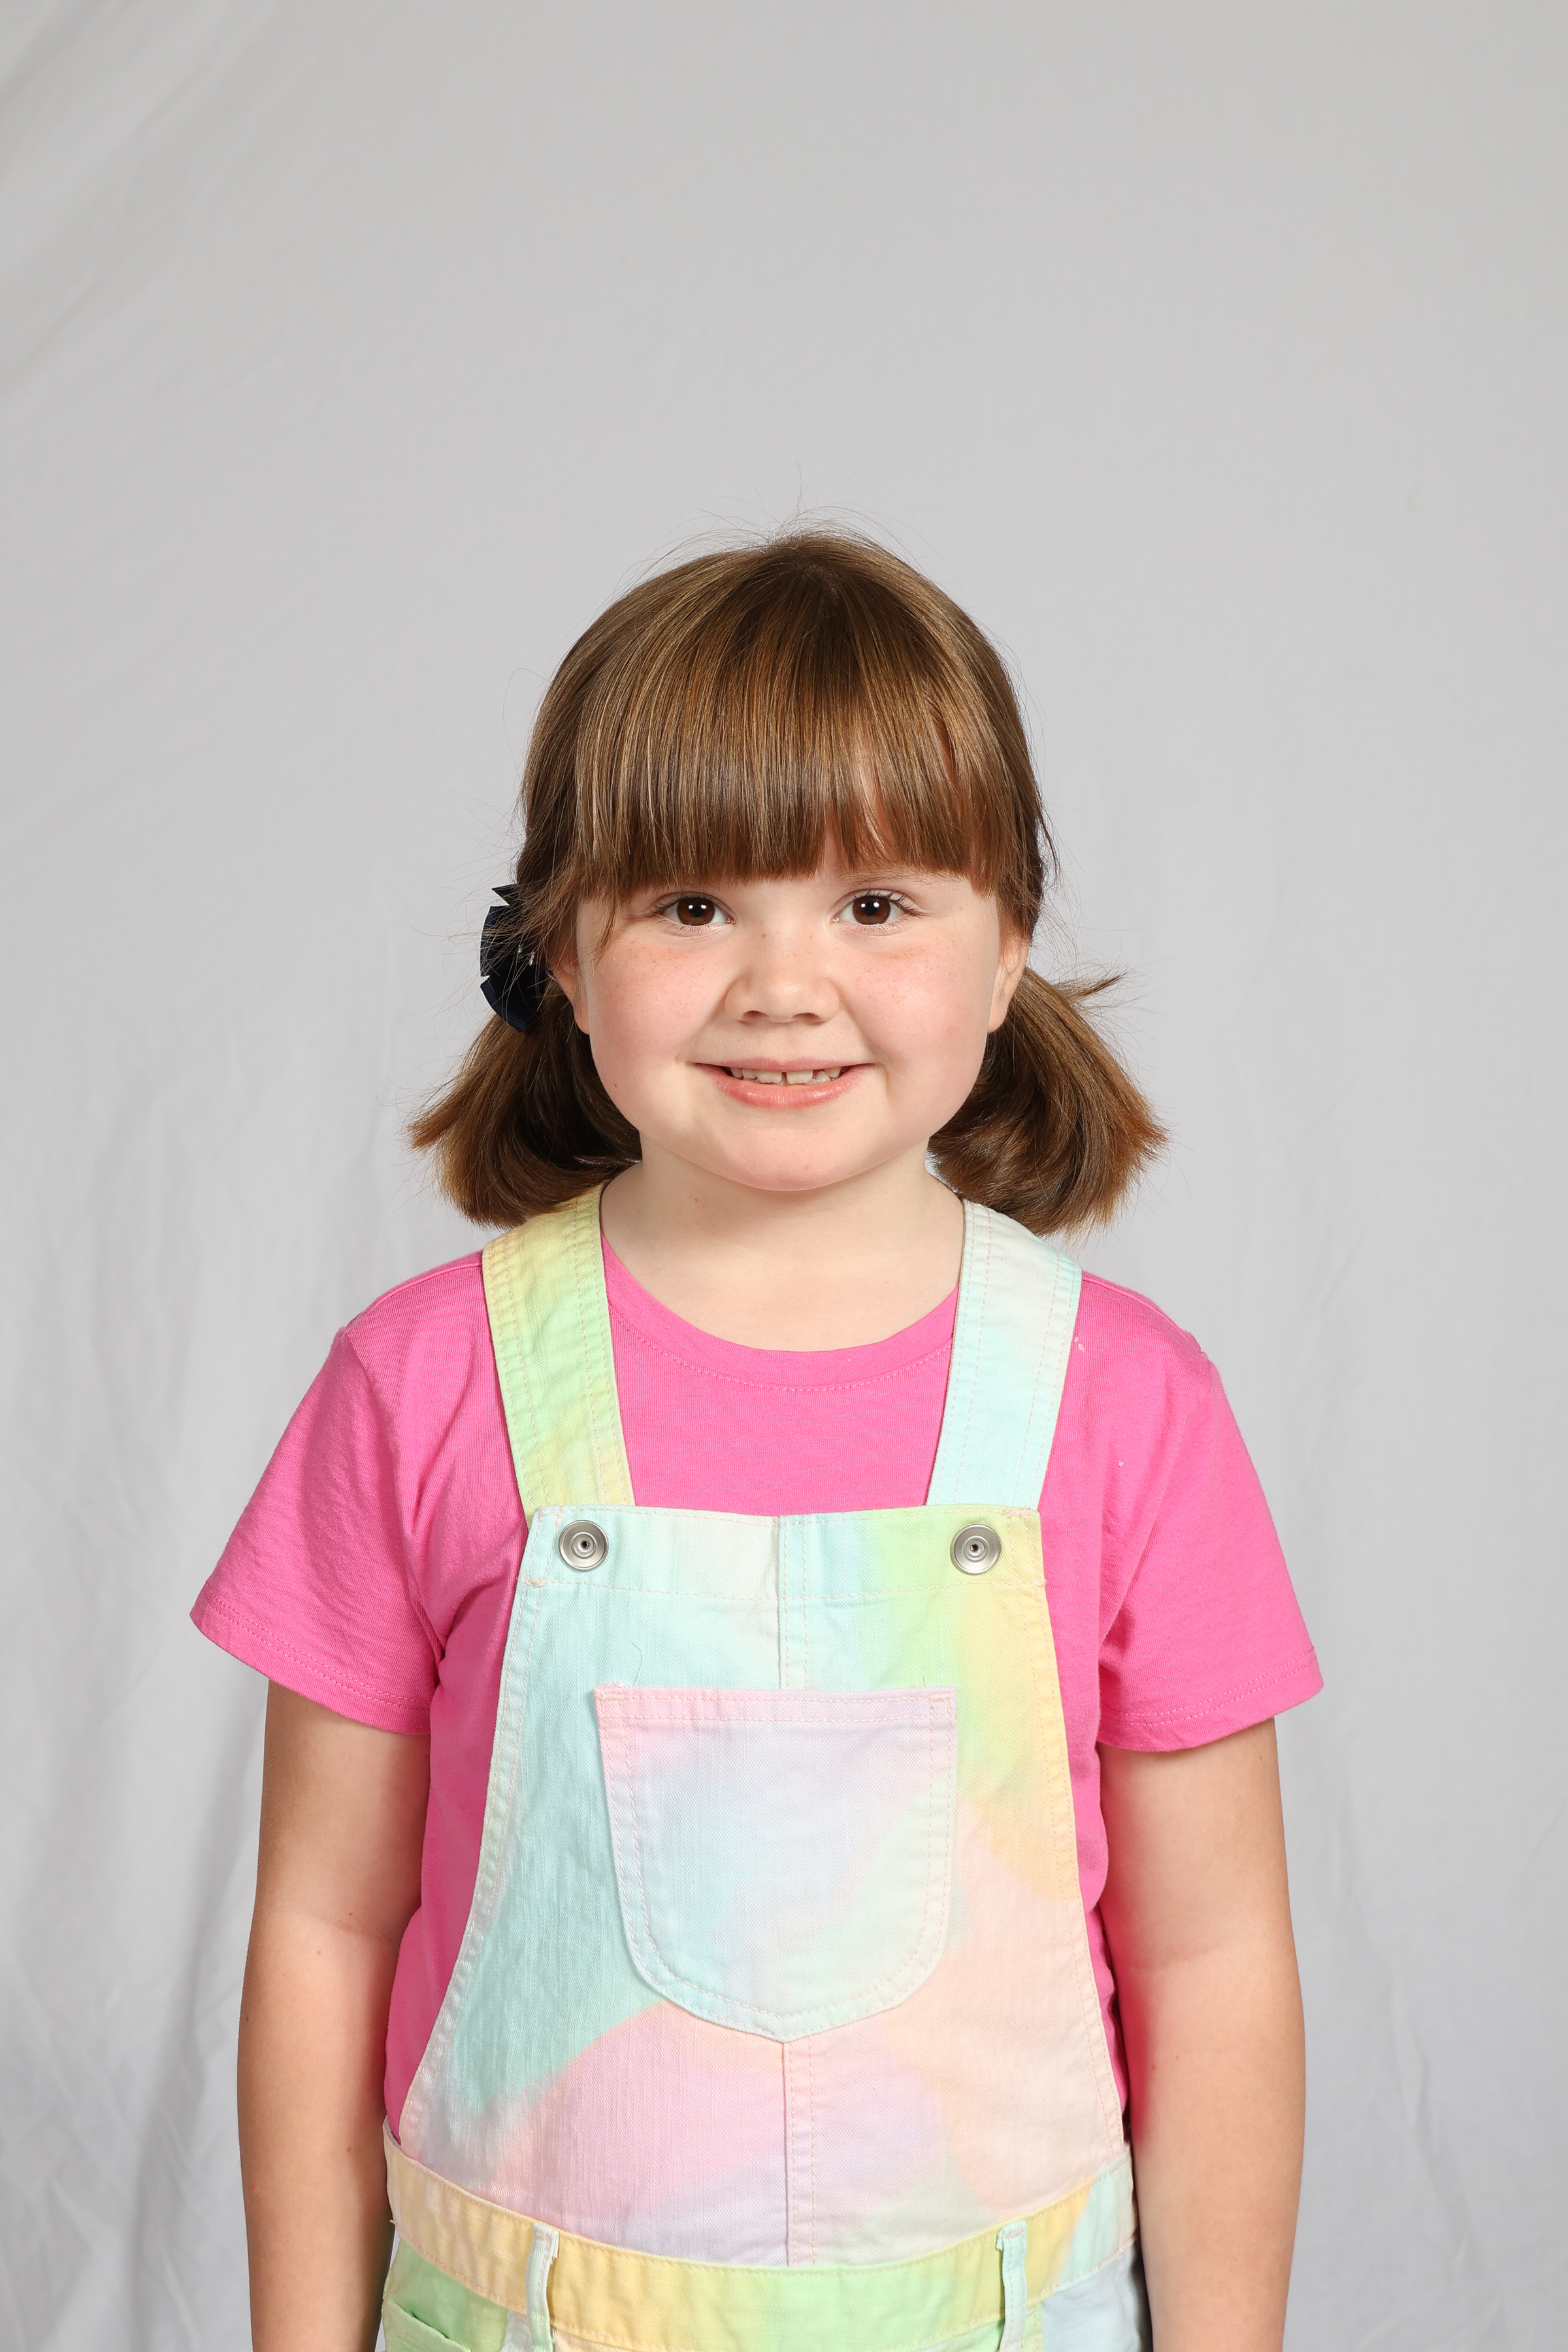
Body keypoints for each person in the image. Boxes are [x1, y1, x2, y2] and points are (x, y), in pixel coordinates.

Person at [195, 530, 1321, 2352]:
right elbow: (324, 1930)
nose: (783, 984)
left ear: (1009, 945)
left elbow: (1214, 1962)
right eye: (692, 905)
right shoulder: (418, 1385)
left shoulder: (1129, 1406)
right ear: (560, 954)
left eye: (876, 903)